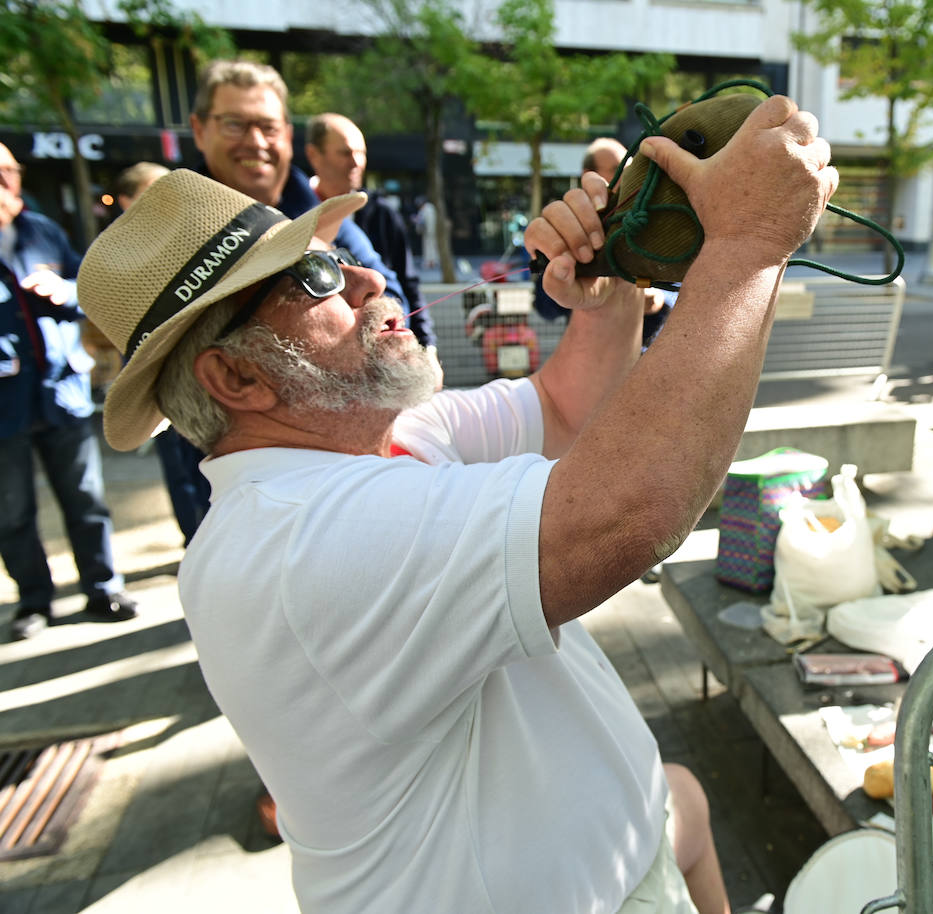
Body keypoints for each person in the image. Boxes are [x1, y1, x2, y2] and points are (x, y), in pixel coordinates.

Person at [76, 90, 835, 913]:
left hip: (622, 862)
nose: (368, 278)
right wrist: (750, 245)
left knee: (680, 794)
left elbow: (568, 411)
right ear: (237, 378)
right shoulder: (297, 544)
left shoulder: (368, 445)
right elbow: (631, 506)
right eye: (316, 275)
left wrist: (612, 277)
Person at [0, 141, 138, 640]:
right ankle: (34, 600)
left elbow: (92, 286)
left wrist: (69, 292)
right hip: (5, 406)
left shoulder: (42, 232)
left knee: (85, 498)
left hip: (61, 391)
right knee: (11, 511)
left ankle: (103, 587)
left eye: (9, 173)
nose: (4, 184)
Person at [188, 60, 421, 331]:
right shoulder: (171, 231)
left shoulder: (325, 219)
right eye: (234, 124)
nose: (256, 142)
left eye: (268, 127)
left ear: (288, 135)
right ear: (199, 130)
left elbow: (391, 300)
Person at [116, 162, 213, 546]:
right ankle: (198, 546)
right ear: (126, 202)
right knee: (182, 473)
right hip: (165, 384)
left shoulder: (195, 237)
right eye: (155, 192)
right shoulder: (118, 257)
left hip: (209, 378)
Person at [305, 112, 438, 373]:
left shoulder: (383, 215)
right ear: (314, 155)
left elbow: (408, 284)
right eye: (344, 153)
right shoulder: (291, 214)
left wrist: (427, 348)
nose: (356, 162)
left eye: (361, 152)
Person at [535, 136, 671, 347]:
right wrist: (567, 286)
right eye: (617, 168)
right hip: (589, 362)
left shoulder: (651, 217)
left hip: (648, 357)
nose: (628, 174)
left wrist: (659, 301)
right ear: (588, 175)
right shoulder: (569, 226)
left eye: (631, 166)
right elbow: (545, 309)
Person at [415, 196, 439, 270]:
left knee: (430, 247)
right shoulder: (427, 208)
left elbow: (428, 221)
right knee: (429, 247)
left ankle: (431, 263)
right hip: (428, 232)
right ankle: (431, 262)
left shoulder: (428, 208)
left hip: (430, 232)